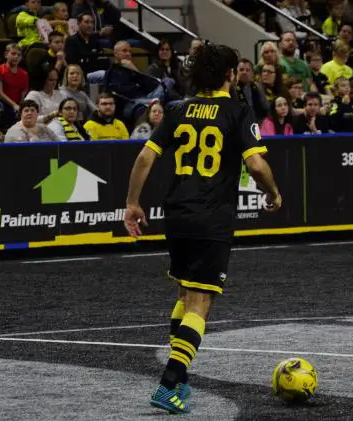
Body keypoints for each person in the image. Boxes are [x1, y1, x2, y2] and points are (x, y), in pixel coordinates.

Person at [123, 42, 281, 414]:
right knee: (200, 301)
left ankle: (180, 380)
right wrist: (273, 192)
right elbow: (257, 167)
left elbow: (145, 156)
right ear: (229, 75)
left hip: (176, 213)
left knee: (183, 294)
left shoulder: (177, 110)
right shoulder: (238, 112)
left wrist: (132, 203)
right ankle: (168, 384)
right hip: (211, 216)